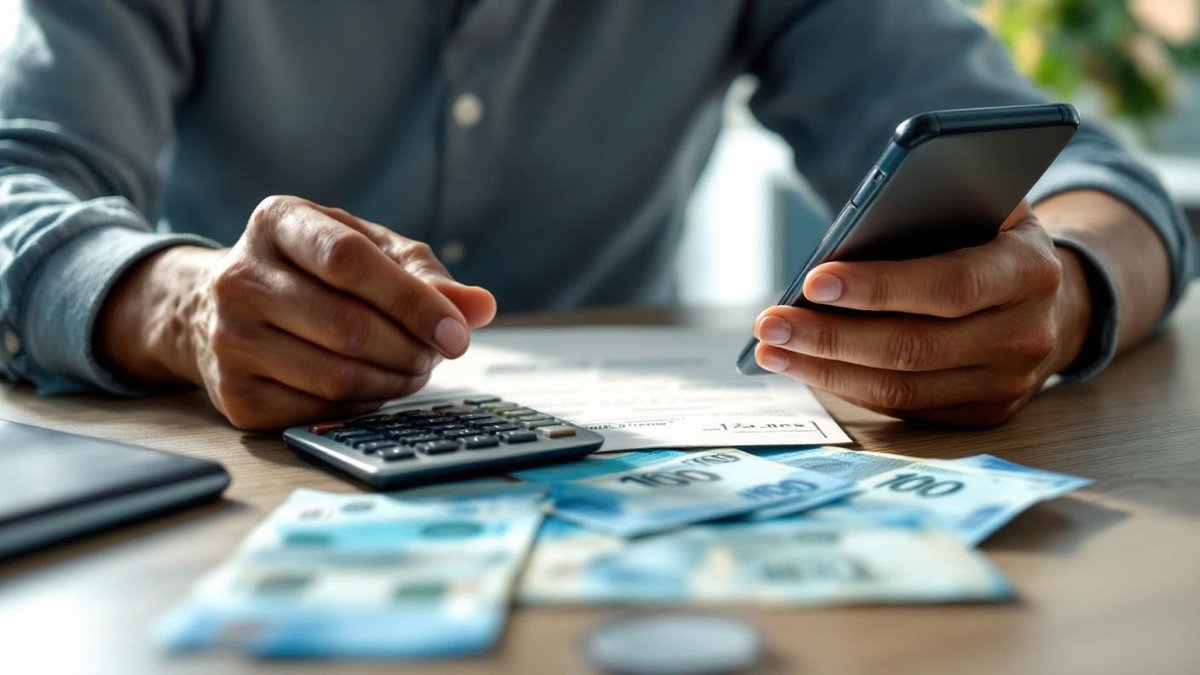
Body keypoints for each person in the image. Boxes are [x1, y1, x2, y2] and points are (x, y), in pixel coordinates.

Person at [0, 1, 1192, 431]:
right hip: (243, 490)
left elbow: (1112, 191)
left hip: (644, 503)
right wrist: (184, 305)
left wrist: (1067, 287)